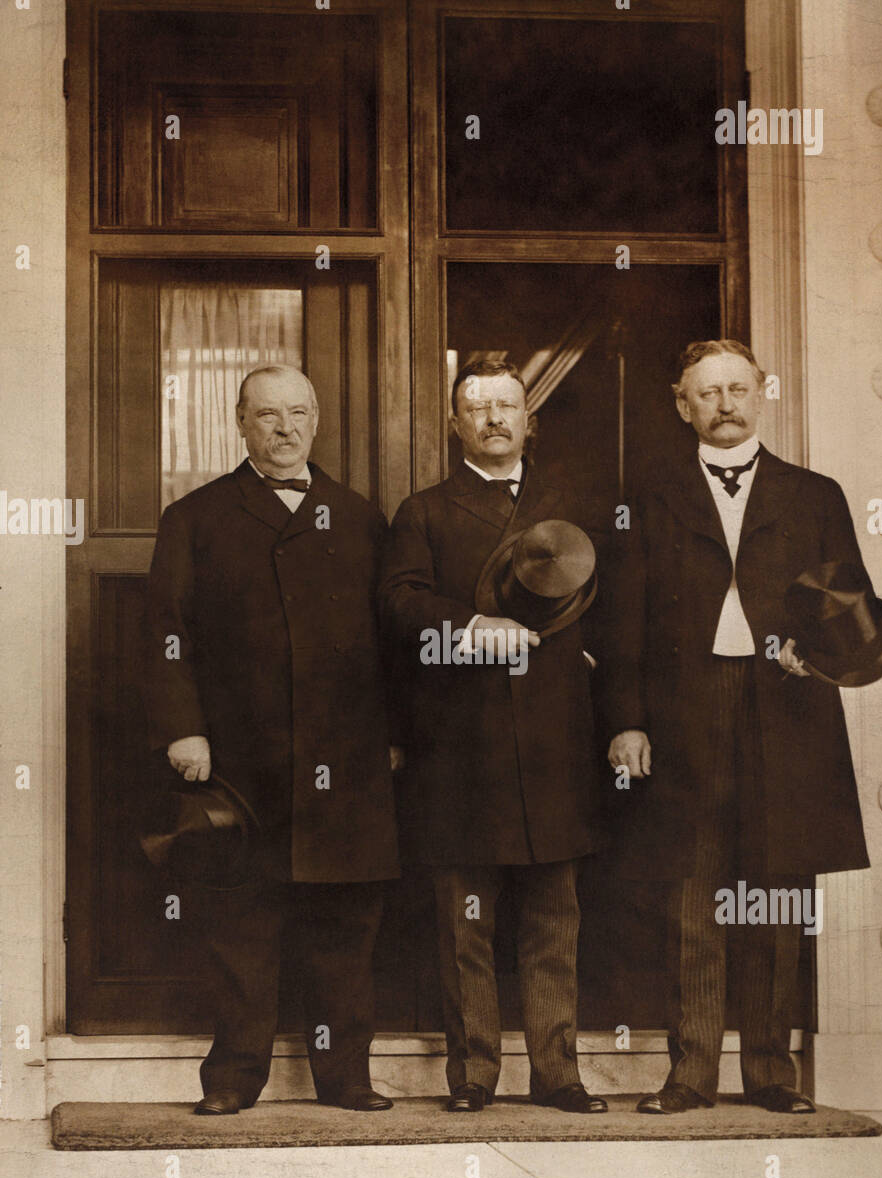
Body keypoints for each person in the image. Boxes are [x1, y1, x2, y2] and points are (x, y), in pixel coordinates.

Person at [603, 339, 872, 1115]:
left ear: (763, 395)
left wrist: (813, 657)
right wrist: (627, 721)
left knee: (776, 892)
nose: (725, 404)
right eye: (707, 392)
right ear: (682, 404)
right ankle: (690, 1073)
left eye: (738, 389)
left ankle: (769, 1073)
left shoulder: (816, 494)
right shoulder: (646, 496)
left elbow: (847, 604)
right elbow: (622, 621)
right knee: (692, 891)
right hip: (685, 713)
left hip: (786, 713)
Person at [144, 364, 400, 1115]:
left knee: (344, 926)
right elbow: (166, 634)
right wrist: (183, 729)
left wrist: (393, 738)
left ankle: (345, 1077)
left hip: (346, 761)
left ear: (316, 421)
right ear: (240, 423)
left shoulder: (358, 518)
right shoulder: (195, 517)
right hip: (239, 761)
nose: (283, 429)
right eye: (266, 415)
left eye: (296, 414)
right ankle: (232, 1080)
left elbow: (390, 644)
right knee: (241, 926)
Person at [378, 359, 607, 1114]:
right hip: (462, 745)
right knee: (465, 922)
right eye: (477, 409)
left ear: (527, 418)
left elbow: (618, 602)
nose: (495, 421)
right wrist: (474, 627)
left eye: (507, 407)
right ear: (456, 424)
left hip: (555, 741)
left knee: (553, 918)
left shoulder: (573, 505)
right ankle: (474, 1076)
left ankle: (558, 1075)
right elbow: (400, 605)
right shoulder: (425, 511)